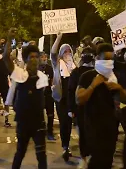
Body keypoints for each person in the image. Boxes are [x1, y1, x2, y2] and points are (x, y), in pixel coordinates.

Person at [76, 43, 126, 168]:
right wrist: (93, 85)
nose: (109, 63)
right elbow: (79, 99)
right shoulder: (87, 76)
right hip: (92, 128)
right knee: (96, 161)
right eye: (106, 59)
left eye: (111, 59)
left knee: (107, 161)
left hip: (110, 128)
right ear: (97, 58)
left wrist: (119, 88)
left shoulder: (115, 77)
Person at [3, 28, 48, 169]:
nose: (34, 59)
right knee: (20, 152)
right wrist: (9, 39)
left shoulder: (43, 77)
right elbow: (6, 58)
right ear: (26, 59)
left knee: (41, 155)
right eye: (31, 57)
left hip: (39, 122)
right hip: (23, 122)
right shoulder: (20, 74)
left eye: (36, 56)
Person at [50, 32, 77, 162]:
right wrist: (59, 38)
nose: (67, 53)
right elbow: (53, 52)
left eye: (68, 51)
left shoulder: (74, 64)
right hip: (61, 97)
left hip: (72, 98)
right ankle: (65, 146)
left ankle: (68, 145)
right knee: (63, 123)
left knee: (69, 122)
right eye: (64, 51)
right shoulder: (57, 63)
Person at [68, 47, 95, 168]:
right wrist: (71, 109)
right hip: (81, 108)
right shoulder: (76, 72)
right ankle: (84, 157)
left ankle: (91, 156)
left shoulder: (97, 71)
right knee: (83, 133)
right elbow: (71, 91)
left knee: (92, 133)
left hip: (95, 108)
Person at [38, 51, 56, 141]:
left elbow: (52, 81)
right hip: (39, 95)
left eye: (45, 57)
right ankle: (40, 132)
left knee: (50, 114)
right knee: (39, 115)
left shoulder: (49, 68)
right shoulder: (36, 69)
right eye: (42, 57)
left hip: (48, 95)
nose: (44, 59)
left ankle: (50, 132)